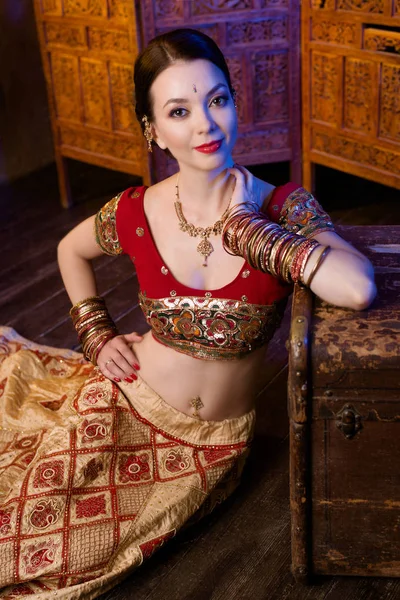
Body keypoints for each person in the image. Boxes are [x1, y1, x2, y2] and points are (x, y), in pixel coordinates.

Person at [0, 28, 376, 599]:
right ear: (154, 130)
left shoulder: (281, 205)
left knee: (78, 553)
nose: (205, 123)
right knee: (21, 529)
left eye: (217, 99)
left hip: (208, 449)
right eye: (179, 110)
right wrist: (96, 336)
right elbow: (69, 250)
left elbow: (356, 287)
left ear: (234, 103)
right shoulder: (135, 211)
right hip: (124, 401)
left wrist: (248, 230)